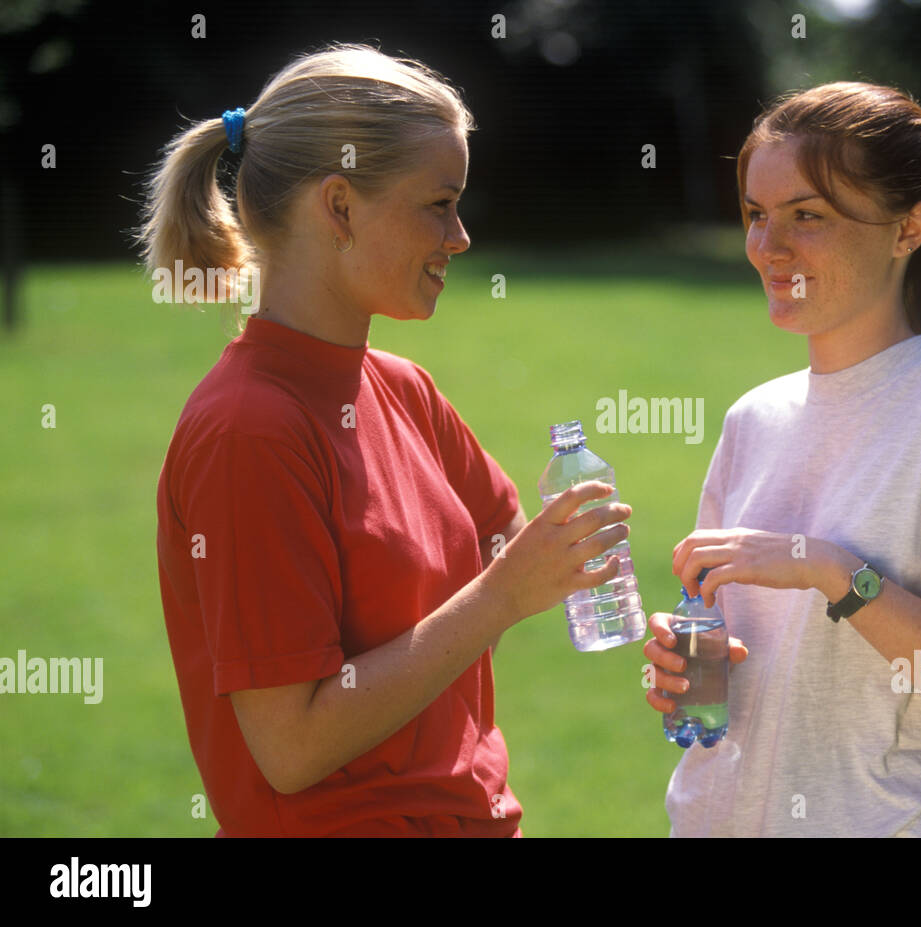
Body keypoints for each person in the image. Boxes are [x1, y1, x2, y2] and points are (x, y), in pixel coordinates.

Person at [140, 43, 631, 836]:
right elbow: (291, 746)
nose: (461, 236)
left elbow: (509, 539)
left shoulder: (401, 386)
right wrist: (503, 596)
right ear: (339, 207)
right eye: (439, 203)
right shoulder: (248, 431)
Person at [643, 82, 921, 837]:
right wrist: (687, 671)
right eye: (755, 214)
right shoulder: (753, 418)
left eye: (809, 216)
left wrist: (831, 569)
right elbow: (744, 655)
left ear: (909, 229)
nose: (770, 246)